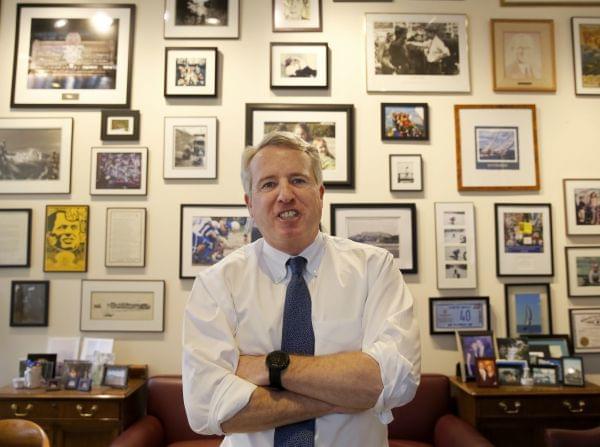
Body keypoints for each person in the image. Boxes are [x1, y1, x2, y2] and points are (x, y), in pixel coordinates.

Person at [182, 131, 421, 446]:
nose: (284, 195)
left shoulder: (375, 269)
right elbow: (207, 409)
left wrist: (269, 367)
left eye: (298, 180)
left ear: (320, 194)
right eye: (268, 184)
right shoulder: (216, 284)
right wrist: (340, 396)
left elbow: (395, 382)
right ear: (250, 204)